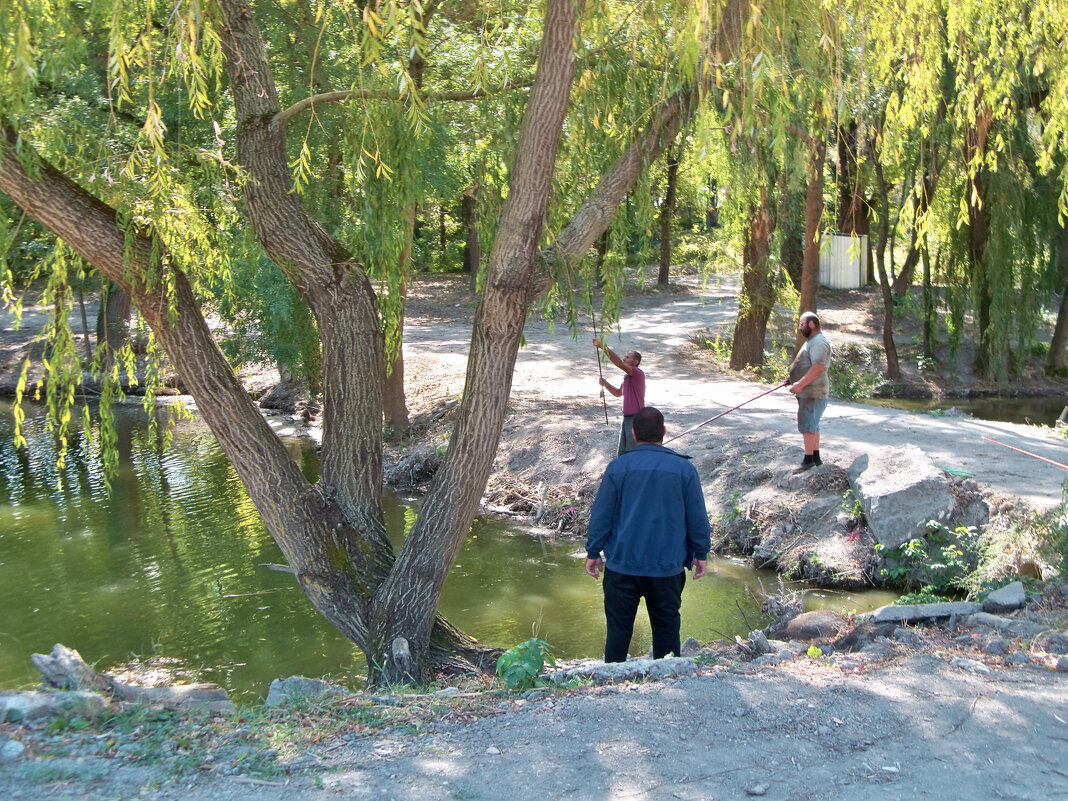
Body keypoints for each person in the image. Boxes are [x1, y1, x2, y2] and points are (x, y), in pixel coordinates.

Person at [584, 406, 711, 662]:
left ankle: (611, 685)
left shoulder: (618, 468)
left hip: (622, 567)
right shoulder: (684, 470)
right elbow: (697, 517)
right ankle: (668, 684)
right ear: (664, 432)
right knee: (667, 630)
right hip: (667, 568)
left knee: (618, 632)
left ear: (633, 433)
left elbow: (602, 514)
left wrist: (593, 551)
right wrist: (701, 552)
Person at [787, 311, 832, 473]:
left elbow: (818, 367)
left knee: (808, 425)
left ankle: (808, 460)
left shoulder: (819, 342)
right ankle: (815, 458)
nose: (800, 328)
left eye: (802, 324)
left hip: (813, 392)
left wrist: (799, 384)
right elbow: (805, 364)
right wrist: (790, 378)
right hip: (809, 392)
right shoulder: (812, 341)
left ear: (811, 324)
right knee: (813, 424)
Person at [592, 337, 645, 456]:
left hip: (636, 419)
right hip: (627, 419)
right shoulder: (627, 378)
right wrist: (606, 384)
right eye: (625, 356)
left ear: (635, 362)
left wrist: (603, 347)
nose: (624, 358)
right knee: (623, 454)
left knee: (632, 454)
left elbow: (619, 364)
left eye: (628, 357)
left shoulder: (637, 373)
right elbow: (617, 393)